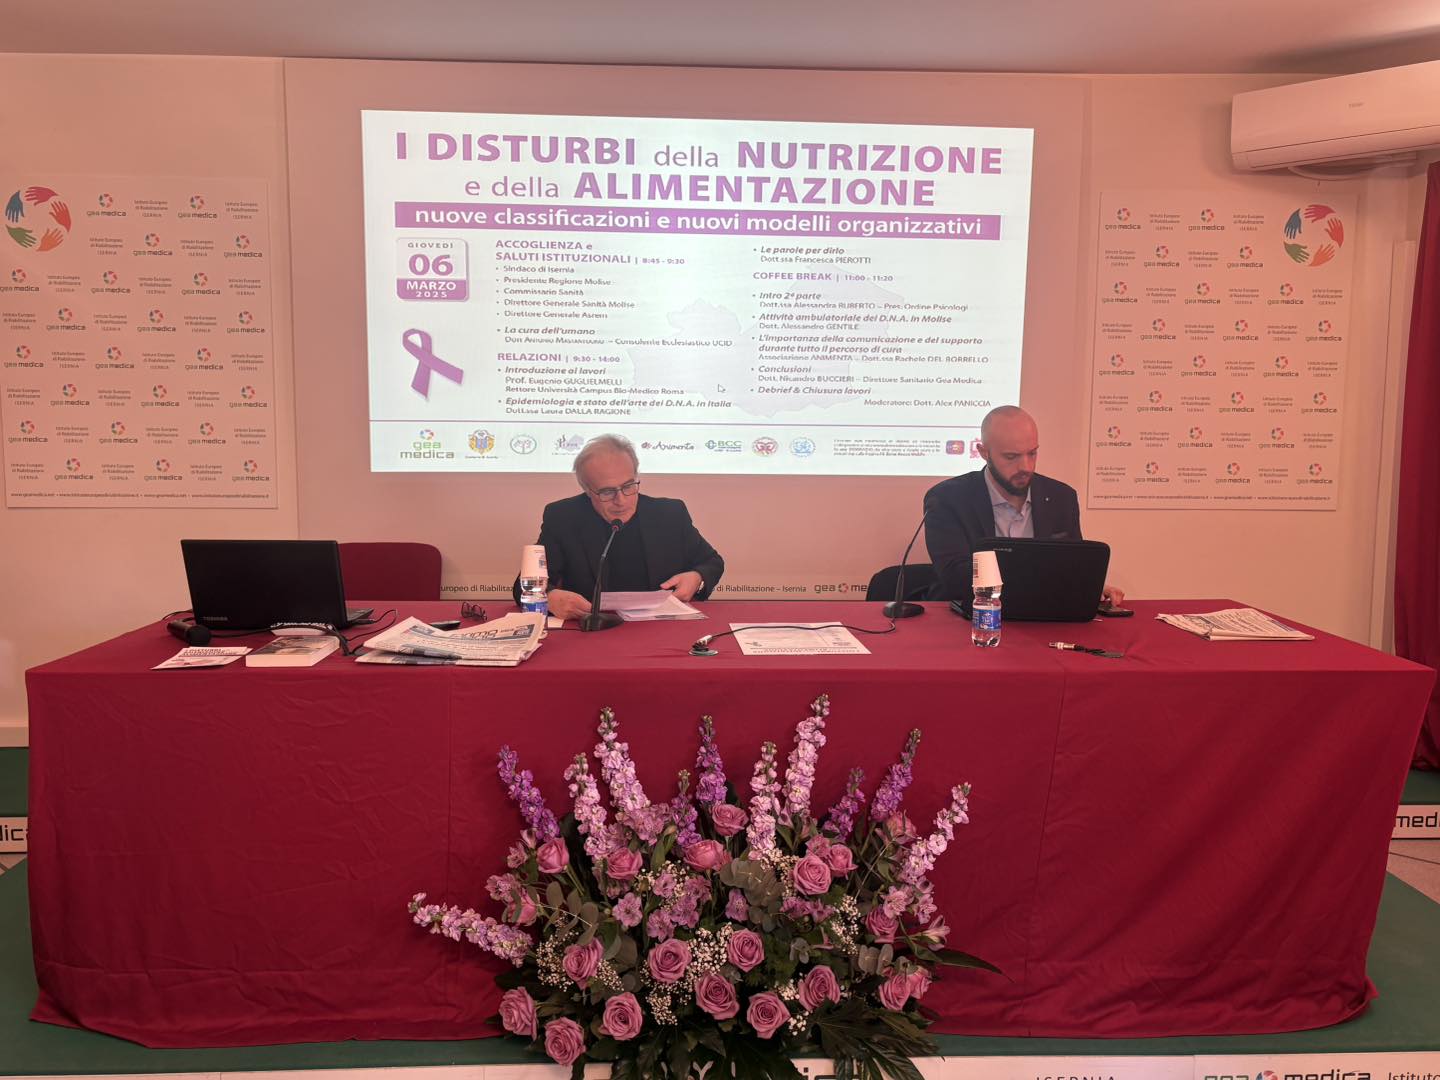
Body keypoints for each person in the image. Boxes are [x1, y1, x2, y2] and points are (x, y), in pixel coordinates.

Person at [924, 406, 1124, 605]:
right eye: (1011, 457)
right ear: (984, 453)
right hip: (973, 614)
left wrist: (1088, 585)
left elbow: (1072, 565)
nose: (1026, 467)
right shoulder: (947, 499)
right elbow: (955, 578)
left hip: (1042, 613)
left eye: (1032, 453)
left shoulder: (1062, 498)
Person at [519, 434, 724, 620]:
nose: (621, 500)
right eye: (607, 492)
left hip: (660, 628)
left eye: (628, 486)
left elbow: (711, 562)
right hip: (592, 631)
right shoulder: (563, 517)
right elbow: (525, 584)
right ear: (587, 490)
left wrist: (697, 578)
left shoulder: (669, 514)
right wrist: (550, 597)